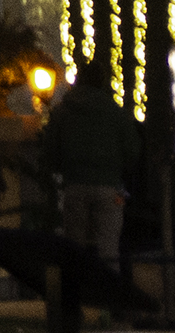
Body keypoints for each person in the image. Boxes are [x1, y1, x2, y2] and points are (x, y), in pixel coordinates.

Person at [41, 68, 142, 263]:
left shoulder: (64, 111)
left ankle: (77, 287)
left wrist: (60, 169)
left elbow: (50, 147)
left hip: (75, 183)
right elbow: (132, 150)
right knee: (109, 247)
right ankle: (106, 289)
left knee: (75, 247)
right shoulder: (114, 112)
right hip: (109, 185)